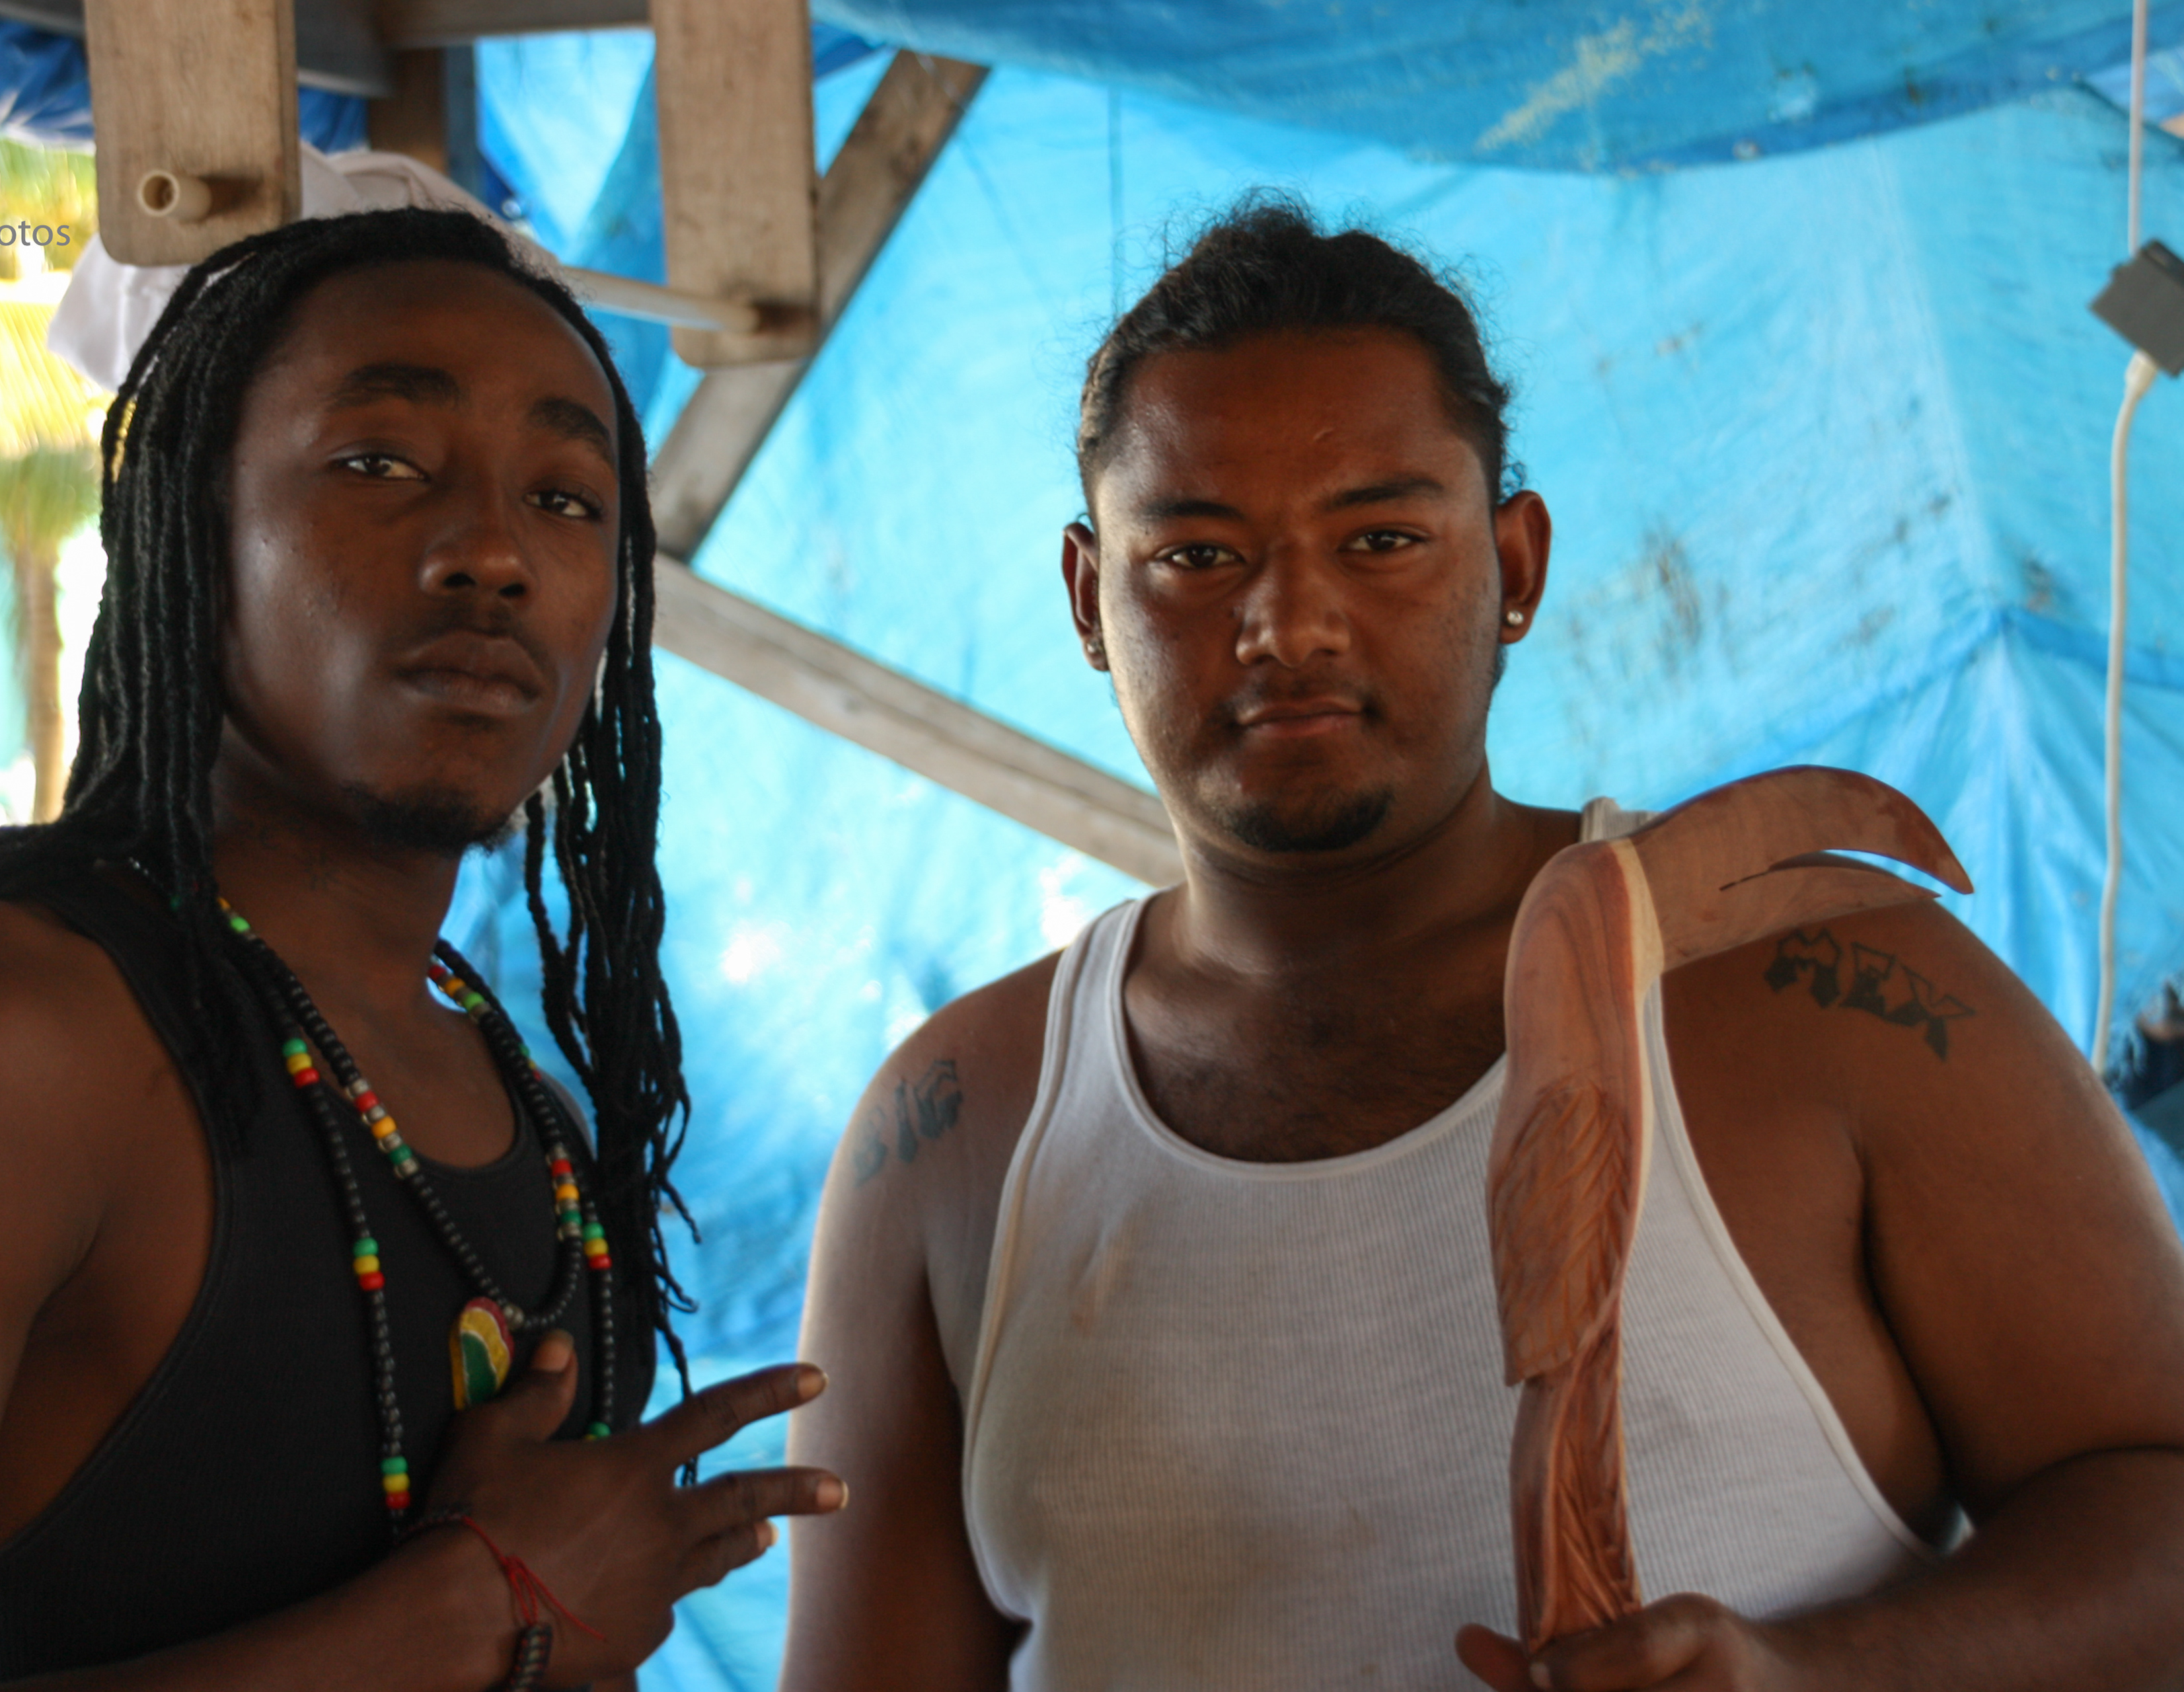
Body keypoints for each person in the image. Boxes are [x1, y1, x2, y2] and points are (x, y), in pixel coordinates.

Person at [781, 198, 2184, 1691]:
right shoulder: (949, 1135)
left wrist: (1815, 1674)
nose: (1289, 621)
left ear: (1516, 561)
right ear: (1087, 596)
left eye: (1381, 537)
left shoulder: (1817, 980)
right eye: (1194, 556)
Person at [0, 205, 841, 1692]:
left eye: (568, 498)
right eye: (379, 464)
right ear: (189, 530)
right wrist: (477, 1604)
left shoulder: (507, 1088)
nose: (493, 552)